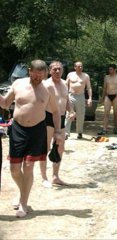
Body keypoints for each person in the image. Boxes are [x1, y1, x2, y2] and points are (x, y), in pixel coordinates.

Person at [0, 59, 62, 218]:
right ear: (30, 71)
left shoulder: (48, 89)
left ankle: (23, 203)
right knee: (14, 169)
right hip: (18, 129)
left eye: (41, 76)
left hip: (37, 130)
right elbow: (6, 104)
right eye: (35, 76)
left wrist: (58, 132)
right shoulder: (18, 84)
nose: (38, 79)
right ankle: (23, 193)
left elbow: (55, 112)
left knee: (28, 166)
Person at [40, 61, 75, 188]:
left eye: (59, 69)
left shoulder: (65, 83)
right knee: (46, 147)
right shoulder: (45, 84)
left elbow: (66, 100)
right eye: (54, 69)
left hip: (61, 117)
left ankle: (55, 176)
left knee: (60, 147)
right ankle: (44, 177)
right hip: (47, 117)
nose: (57, 71)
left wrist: (71, 110)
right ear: (49, 71)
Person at [65, 61, 92, 139]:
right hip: (71, 96)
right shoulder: (70, 75)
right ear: (75, 67)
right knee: (69, 114)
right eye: (78, 66)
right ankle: (66, 133)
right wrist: (64, 96)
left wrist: (90, 98)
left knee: (80, 115)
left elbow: (89, 88)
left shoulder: (86, 76)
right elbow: (66, 85)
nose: (80, 67)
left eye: (81, 66)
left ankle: (79, 132)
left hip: (81, 96)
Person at [98, 64, 117, 135]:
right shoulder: (106, 77)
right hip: (107, 96)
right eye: (109, 69)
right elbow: (104, 88)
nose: (110, 71)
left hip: (116, 96)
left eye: (111, 69)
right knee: (106, 113)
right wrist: (102, 98)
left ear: (115, 69)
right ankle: (104, 129)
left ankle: (115, 128)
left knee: (116, 113)